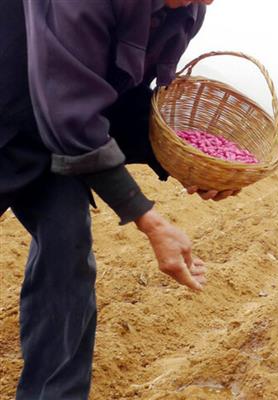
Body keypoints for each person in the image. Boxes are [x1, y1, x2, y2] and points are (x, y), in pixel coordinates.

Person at [0, 0, 238, 398]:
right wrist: (148, 219)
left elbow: (120, 99)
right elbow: (70, 112)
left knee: (67, 244)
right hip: (16, 109)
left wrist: (185, 161)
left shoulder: (187, 12)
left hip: (50, 141)